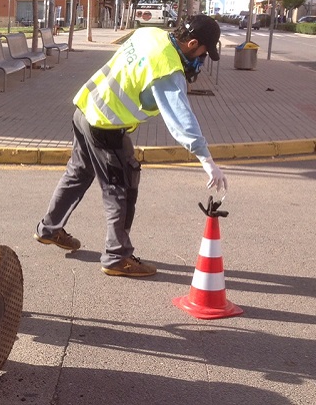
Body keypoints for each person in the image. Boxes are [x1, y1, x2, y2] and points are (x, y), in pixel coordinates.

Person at [33, 14, 228, 278]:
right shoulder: (168, 68)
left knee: (77, 174)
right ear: (193, 43)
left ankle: (49, 228)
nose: (202, 59)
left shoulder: (151, 34)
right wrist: (208, 162)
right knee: (121, 189)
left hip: (86, 108)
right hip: (106, 126)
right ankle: (117, 257)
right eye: (204, 52)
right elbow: (181, 119)